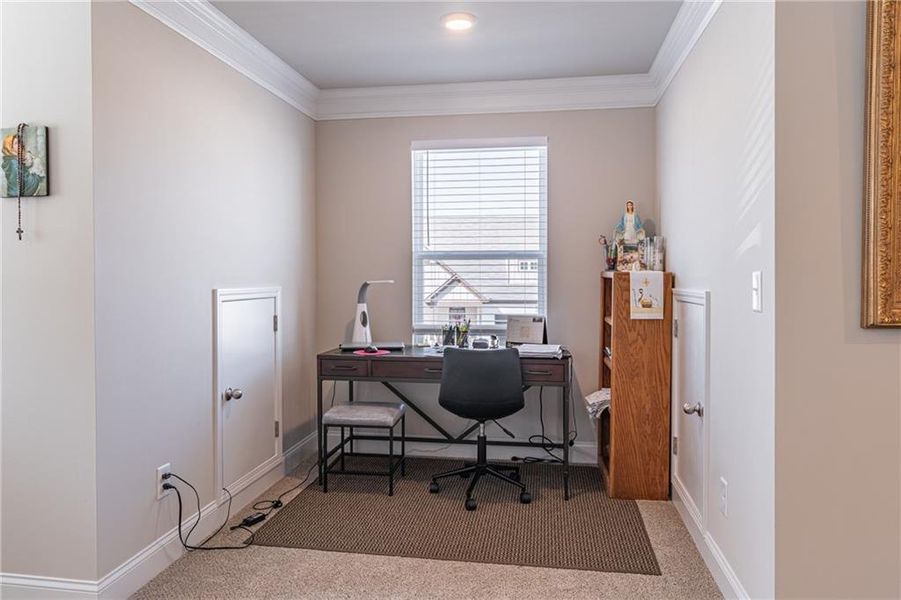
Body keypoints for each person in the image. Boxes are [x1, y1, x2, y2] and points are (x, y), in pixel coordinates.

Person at [2, 131, 45, 197]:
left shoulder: (14, 159)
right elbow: (26, 184)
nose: (20, 144)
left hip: (15, 195)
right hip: (16, 195)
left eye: (19, 142)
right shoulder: (13, 163)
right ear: (10, 147)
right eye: (16, 143)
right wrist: (37, 176)